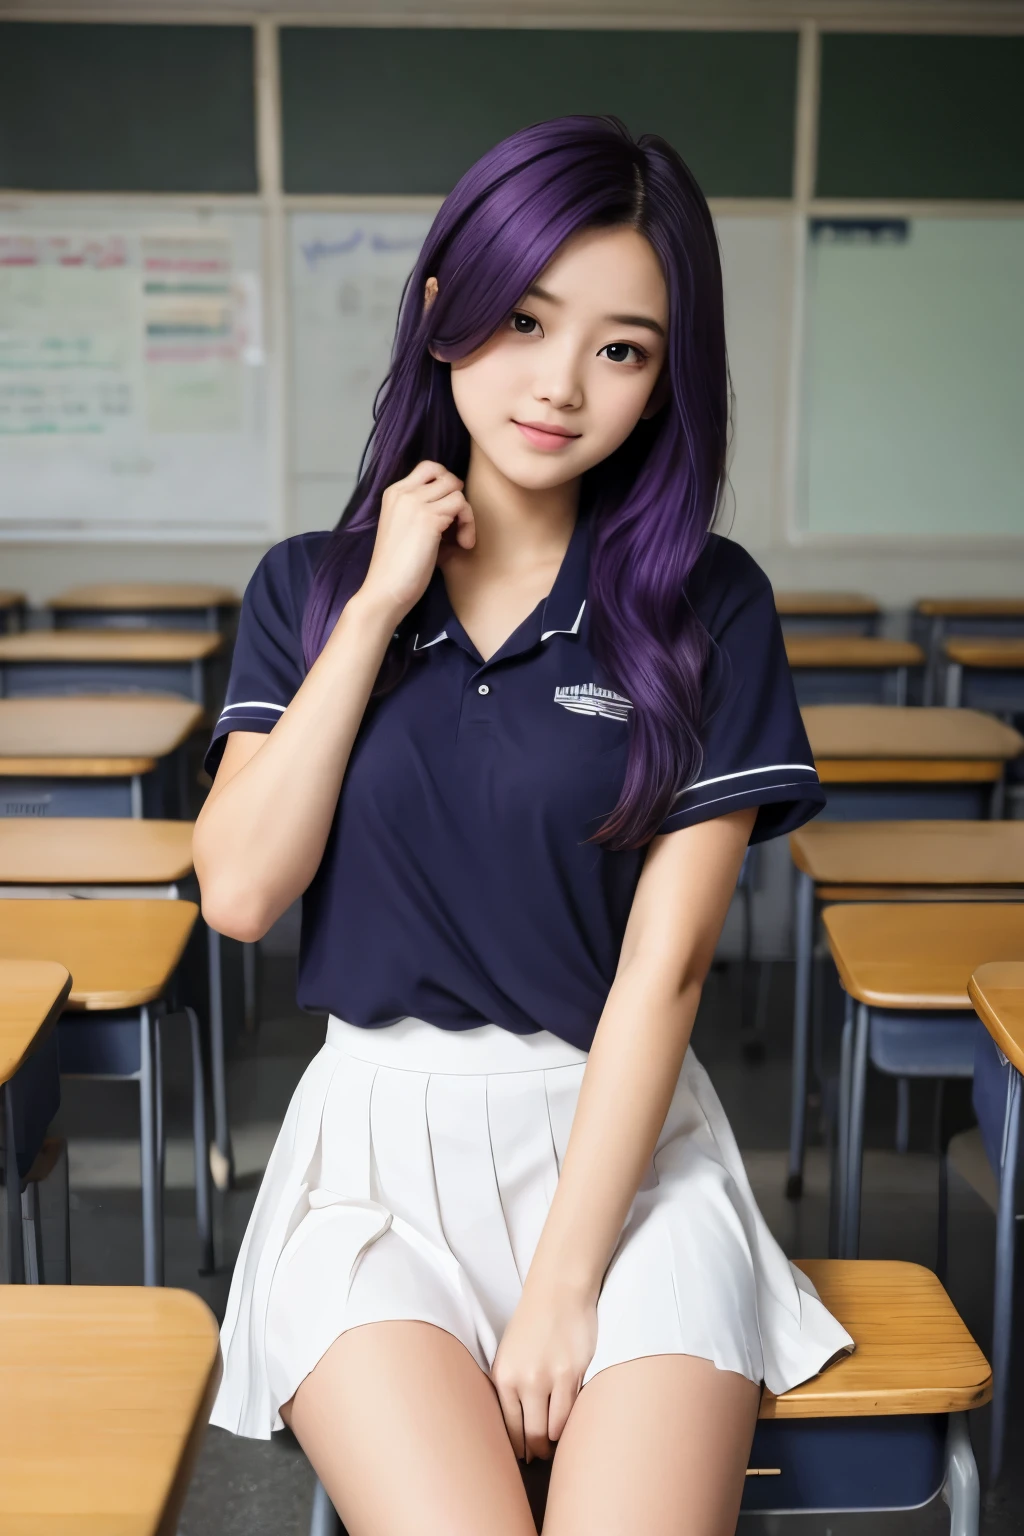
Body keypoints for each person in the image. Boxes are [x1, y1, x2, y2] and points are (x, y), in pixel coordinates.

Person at [194, 115, 852, 1536]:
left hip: (624, 1159)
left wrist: (567, 1283)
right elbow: (241, 893)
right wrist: (378, 603)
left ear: (668, 379)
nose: (560, 384)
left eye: (622, 348)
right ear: (445, 315)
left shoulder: (705, 609)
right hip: (371, 1168)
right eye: (528, 319)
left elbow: (666, 976)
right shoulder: (310, 586)